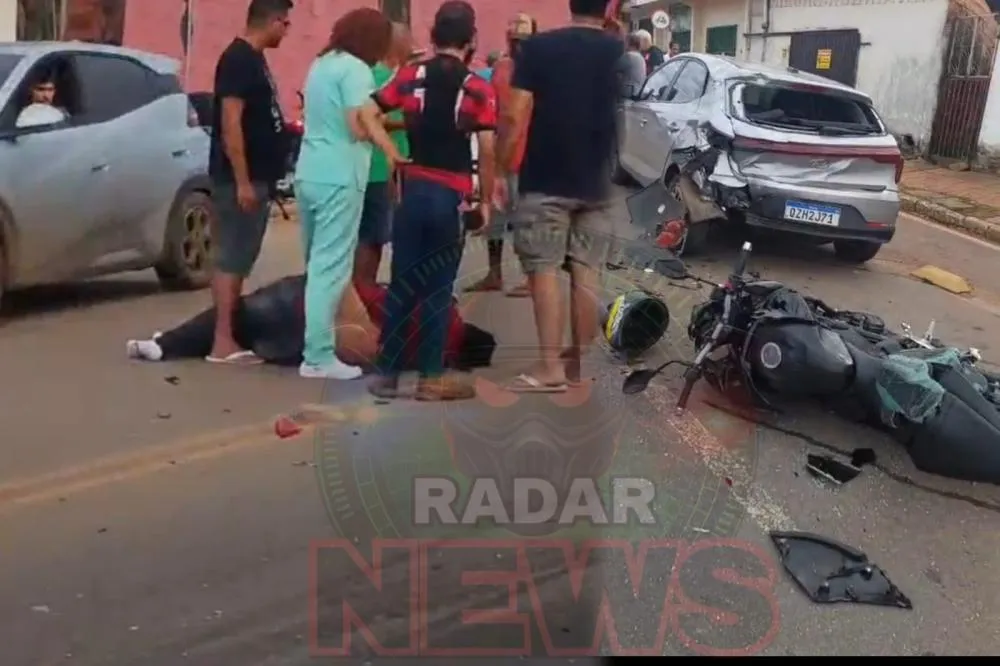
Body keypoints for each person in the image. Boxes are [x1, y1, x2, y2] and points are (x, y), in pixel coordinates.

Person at [364, 0, 498, 401]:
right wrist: (485, 200)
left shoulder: (409, 76)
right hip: (450, 194)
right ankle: (430, 377)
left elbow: (368, 112)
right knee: (439, 286)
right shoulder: (476, 86)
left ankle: (387, 372)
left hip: (412, 189)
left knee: (403, 279)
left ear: (434, 36)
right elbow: (487, 146)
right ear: (471, 40)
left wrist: (390, 151)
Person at [498, 0, 623, 393]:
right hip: (596, 180)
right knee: (586, 271)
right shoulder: (618, 50)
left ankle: (549, 367)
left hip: (546, 178)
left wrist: (503, 168)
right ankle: (576, 363)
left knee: (544, 269)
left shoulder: (538, 48)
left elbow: (515, 115)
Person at [294, 8, 404, 380]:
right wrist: (389, 147)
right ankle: (318, 355)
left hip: (310, 172)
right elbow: (358, 126)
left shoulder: (321, 64)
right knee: (331, 267)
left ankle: (318, 345)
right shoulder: (357, 71)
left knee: (317, 265)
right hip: (340, 175)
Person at [125, 278, 497, 371]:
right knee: (249, 326)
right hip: (320, 330)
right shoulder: (432, 353)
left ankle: (166, 343)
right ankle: (168, 343)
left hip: (323, 299)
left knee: (241, 314)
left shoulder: (442, 312)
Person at [206, 0, 292, 365]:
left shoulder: (254, 59)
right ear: (271, 21)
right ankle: (222, 340)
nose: (287, 31)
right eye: (285, 23)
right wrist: (242, 179)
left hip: (258, 176)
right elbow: (231, 122)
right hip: (240, 179)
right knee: (232, 257)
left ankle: (228, 336)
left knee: (241, 257)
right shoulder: (239, 60)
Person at [463, 12, 536, 297]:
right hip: (497, 154)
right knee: (494, 218)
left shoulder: (537, 68)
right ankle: (494, 273)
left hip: (525, 156)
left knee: (524, 220)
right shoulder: (502, 67)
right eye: (513, 36)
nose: (517, 41)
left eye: (523, 37)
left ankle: (531, 277)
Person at [353, 22, 412, 288]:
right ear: (397, 45)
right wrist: (413, 121)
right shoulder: (376, 76)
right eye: (408, 41)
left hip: (387, 168)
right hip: (376, 168)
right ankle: (363, 289)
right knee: (372, 237)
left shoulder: (394, 75)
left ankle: (366, 288)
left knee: (377, 236)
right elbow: (371, 118)